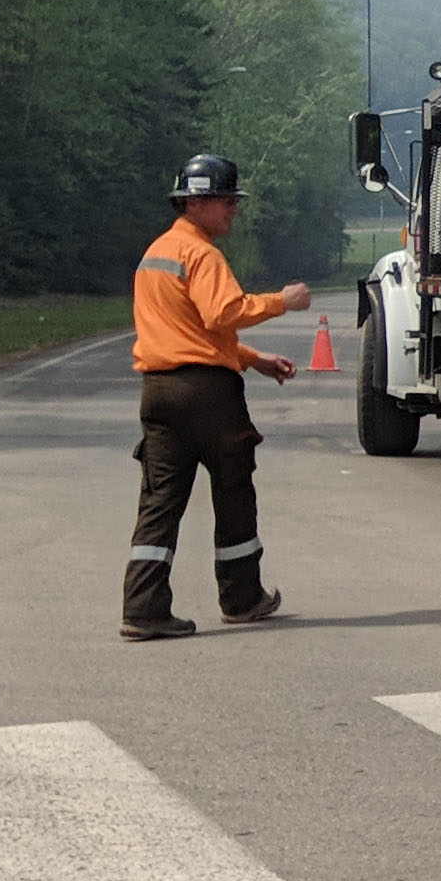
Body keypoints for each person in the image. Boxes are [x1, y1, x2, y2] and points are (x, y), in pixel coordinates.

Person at [122, 151, 308, 640]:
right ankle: (243, 598)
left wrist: (253, 359)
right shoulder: (202, 254)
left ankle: (143, 608)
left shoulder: (155, 254)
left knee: (161, 500)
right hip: (206, 394)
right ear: (196, 203)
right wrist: (281, 303)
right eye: (226, 200)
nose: (233, 209)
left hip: (158, 393)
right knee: (233, 487)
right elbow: (224, 312)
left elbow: (189, 330)